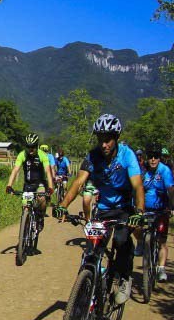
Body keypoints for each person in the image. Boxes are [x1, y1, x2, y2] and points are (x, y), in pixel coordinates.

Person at [53, 114, 146, 305]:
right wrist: (63, 206)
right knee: (92, 250)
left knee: (121, 240)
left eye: (108, 139)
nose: (104, 144)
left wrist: (139, 212)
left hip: (124, 208)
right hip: (103, 209)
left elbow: (137, 186)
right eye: (100, 139)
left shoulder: (127, 155)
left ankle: (124, 278)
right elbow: (78, 182)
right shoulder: (93, 156)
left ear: (116, 138)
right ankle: (88, 287)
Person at [5, 133, 56, 247]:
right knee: (25, 206)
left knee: (41, 198)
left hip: (40, 183)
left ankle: (40, 217)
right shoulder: (22, 155)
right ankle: (25, 227)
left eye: (33, 147)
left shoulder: (42, 155)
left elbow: (48, 172)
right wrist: (9, 185)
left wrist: (50, 187)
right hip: (28, 185)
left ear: (37, 146)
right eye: (28, 147)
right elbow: (15, 170)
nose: (30, 149)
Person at [142, 145, 174, 282]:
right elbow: (137, 188)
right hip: (146, 209)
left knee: (162, 240)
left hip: (162, 209)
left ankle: (161, 268)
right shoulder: (143, 171)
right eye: (150, 156)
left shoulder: (164, 170)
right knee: (135, 227)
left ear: (159, 158)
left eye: (156, 157)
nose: (153, 159)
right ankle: (141, 244)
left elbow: (171, 188)